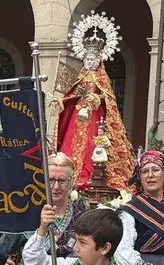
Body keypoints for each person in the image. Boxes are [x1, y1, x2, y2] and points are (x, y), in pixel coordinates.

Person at [56, 22, 136, 190]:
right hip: (78, 117)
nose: (90, 62)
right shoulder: (82, 75)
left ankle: (91, 173)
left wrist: (96, 98)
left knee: (92, 144)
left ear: (99, 59)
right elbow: (73, 93)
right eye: (87, 59)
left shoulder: (102, 78)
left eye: (93, 59)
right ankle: (70, 172)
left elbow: (108, 98)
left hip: (94, 115)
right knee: (72, 143)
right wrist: (61, 101)